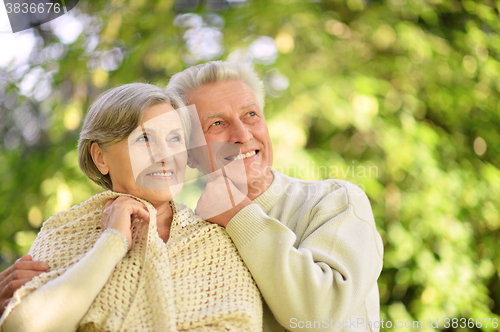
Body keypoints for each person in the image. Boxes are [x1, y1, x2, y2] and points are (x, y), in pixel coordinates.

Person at [0, 83, 262, 331]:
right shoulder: (64, 232)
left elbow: (242, 323)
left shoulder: (212, 241)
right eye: (144, 139)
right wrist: (112, 242)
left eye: (175, 139)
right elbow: (24, 326)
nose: (165, 155)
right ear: (100, 157)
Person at [166, 61, 384, 332]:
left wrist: (238, 215)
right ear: (188, 153)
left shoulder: (336, 201)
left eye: (251, 115)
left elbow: (317, 314)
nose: (243, 134)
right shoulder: (187, 236)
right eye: (217, 123)